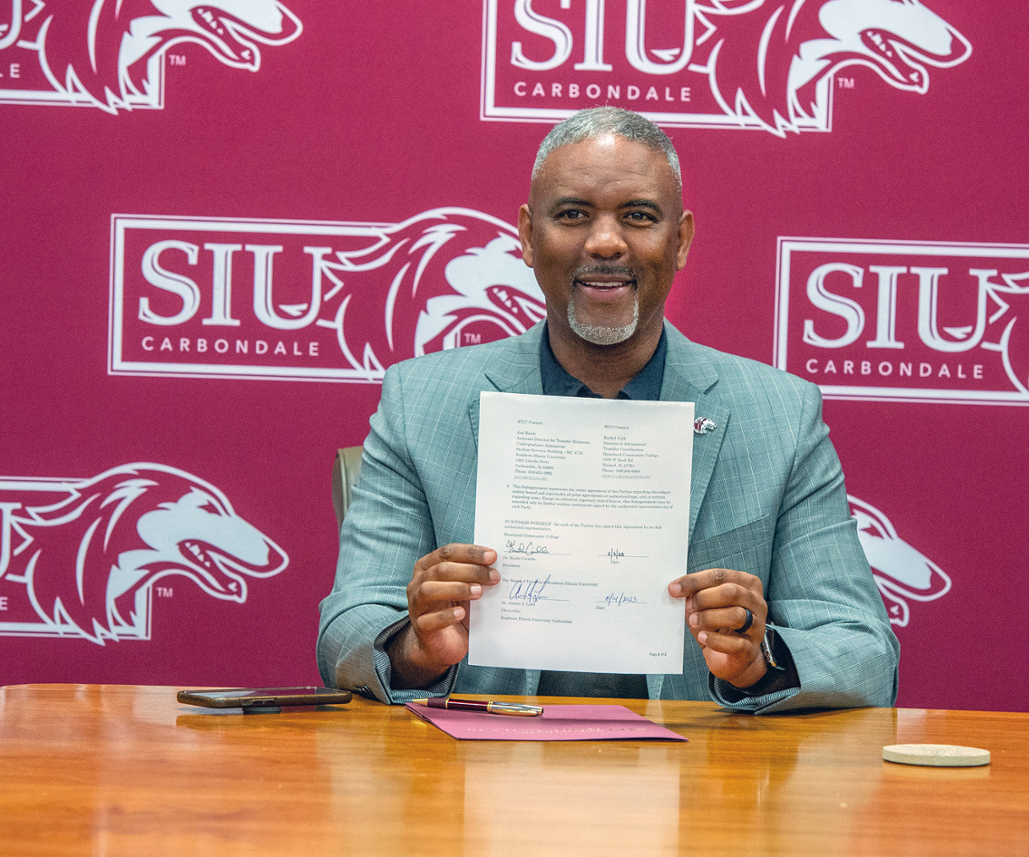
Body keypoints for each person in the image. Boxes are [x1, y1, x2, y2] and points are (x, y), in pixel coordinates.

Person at [318, 107, 898, 713]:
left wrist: (760, 662)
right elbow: (348, 629)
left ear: (680, 242)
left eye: (639, 217)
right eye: (572, 215)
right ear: (525, 236)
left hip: (700, 787)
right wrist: (415, 648)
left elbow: (864, 652)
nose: (604, 243)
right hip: (475, 780)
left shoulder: (778, 415)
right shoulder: (421, 402)